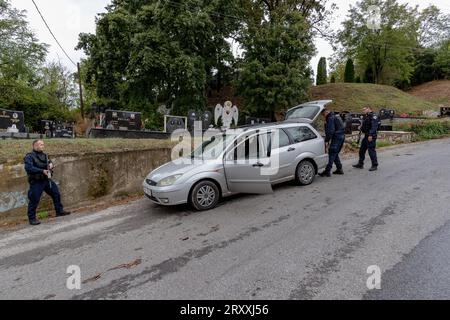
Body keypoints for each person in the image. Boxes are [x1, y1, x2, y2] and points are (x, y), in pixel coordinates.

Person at [24, 140, 71, 226]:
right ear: (35, 145)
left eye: (43, 144)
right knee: (34, 199)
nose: (42, 146)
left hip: (46, 180)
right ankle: (32, 218)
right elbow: (29, 168)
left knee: (56, 193)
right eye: (40, 144)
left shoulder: (45, 155)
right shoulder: (29, 156)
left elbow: (49, 162)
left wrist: (51, 164)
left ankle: (59, 211)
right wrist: (42, 171)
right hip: (36, 182)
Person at [319, 109, 346, 177]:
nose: (323, 116)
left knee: (332, 152)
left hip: (337, 137)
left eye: (323, 114)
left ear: (326, 112)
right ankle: (339, 169)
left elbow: (331, 131)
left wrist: (327, 140)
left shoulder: (330, 118)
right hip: (341, 136)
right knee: (335, 153)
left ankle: (327, 171)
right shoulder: (336, 116)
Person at [353, 106, 379, 171]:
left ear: (369, 109)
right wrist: (361, 127)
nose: (363, 110)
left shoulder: (374, 116)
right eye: (363, 109)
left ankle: (374, 165)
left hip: (371, 136)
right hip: (366, 136)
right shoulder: (367, 116)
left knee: (371, 151)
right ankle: (360, 164)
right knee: (362, 150)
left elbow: (374, 127)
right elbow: (366, 125)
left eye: (365, 109)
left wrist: (371, 135)